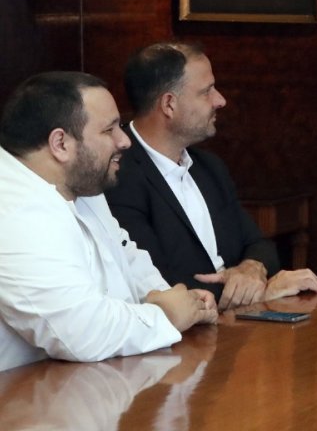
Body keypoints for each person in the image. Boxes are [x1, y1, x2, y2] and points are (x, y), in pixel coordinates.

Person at [0, 71, 217, 372]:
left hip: (90, 381)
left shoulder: (80, 184)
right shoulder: (13, 213)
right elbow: (81, 333)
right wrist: (166, 316)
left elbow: (125, 255)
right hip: (25, 395)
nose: (124, 140)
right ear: (60, 144)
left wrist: (170, 297)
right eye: (109, 130)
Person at [105, 42, 317, 310]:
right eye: (207, 91)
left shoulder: (209, 167)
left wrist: (252, 268)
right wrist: (263, 291)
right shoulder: (118, 176)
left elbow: (259, 244)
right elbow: (158, 285)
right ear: (169, 104)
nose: (220, 100)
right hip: (181, 331)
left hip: (239, 325)